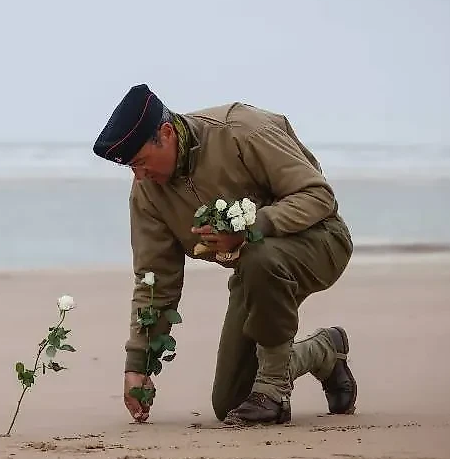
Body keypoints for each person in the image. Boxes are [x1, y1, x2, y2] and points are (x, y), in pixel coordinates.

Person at [91, 83, 358, 426]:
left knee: (259, 255)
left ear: (167, 133)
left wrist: (252, 227)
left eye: (141, 162)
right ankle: (324, 351)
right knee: (232, 401)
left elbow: (319, 196)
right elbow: (155, 280)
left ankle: (274, 392)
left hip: (321, 241)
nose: (139, 175)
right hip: (256, 272)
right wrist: (137, 365)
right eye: (130, 168)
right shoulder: (148, 192)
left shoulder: (240, 131)